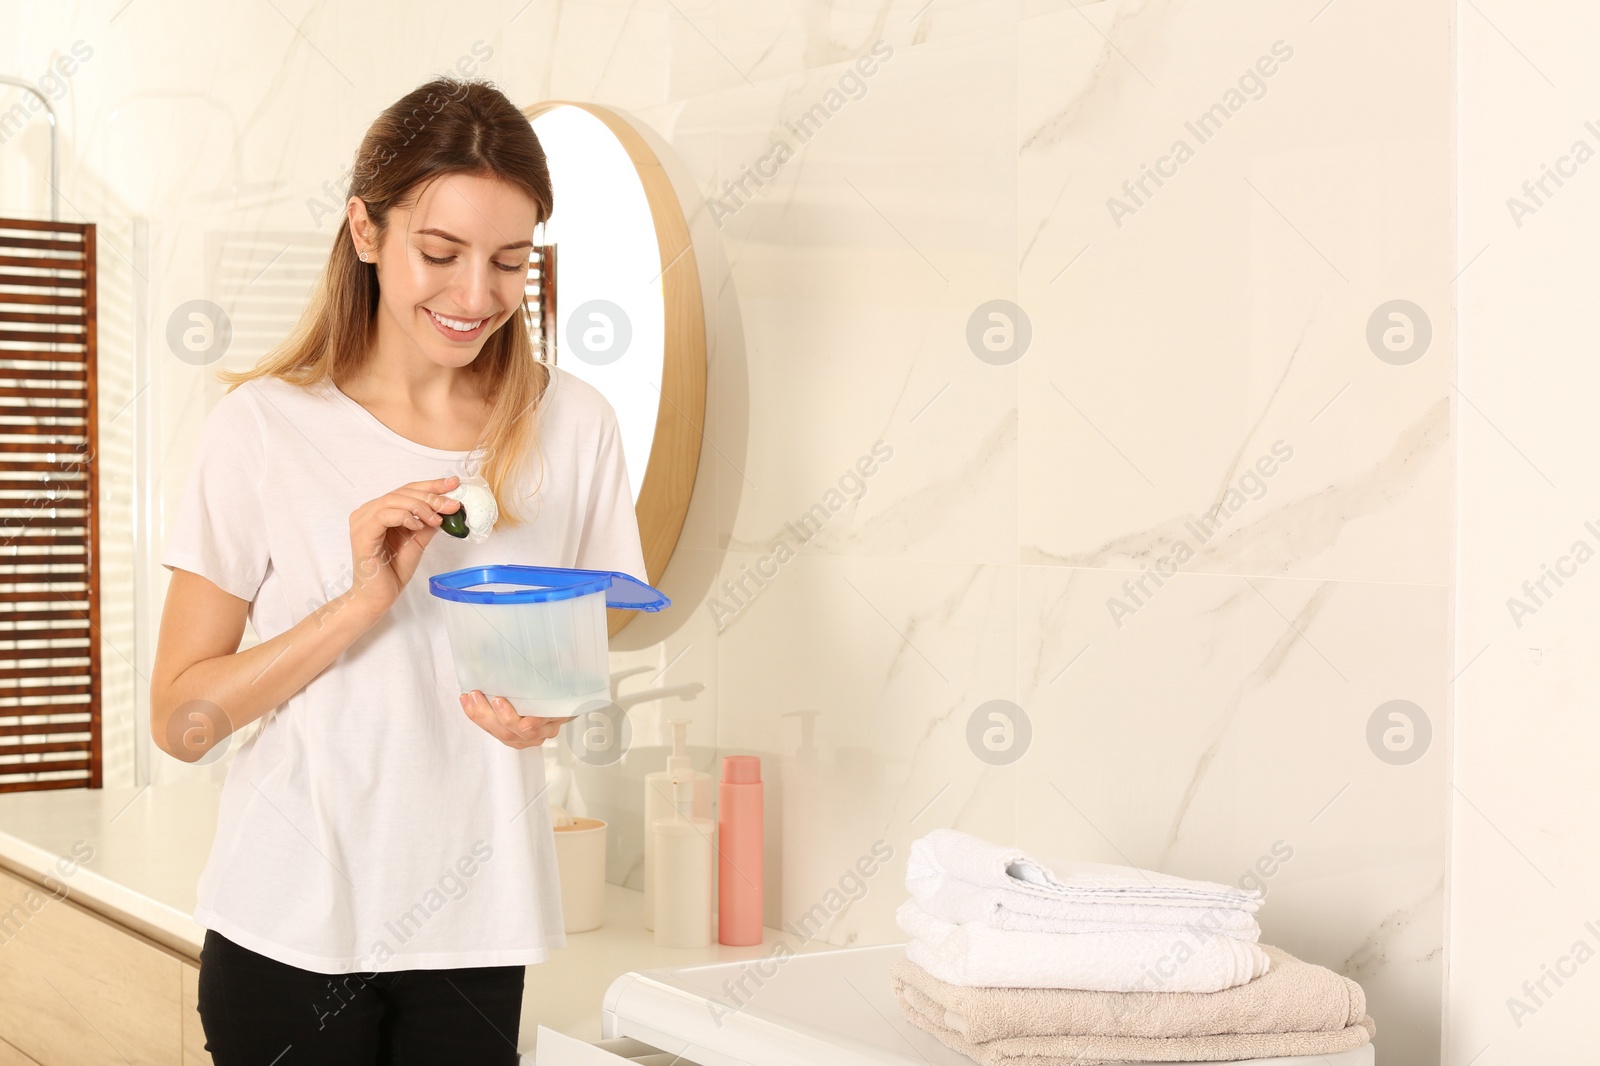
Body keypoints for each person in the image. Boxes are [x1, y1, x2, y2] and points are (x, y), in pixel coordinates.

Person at [149, 75, 647, 1065]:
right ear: (365, 232)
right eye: (440, 251)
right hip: (286, 929)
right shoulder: (263, 430)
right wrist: (361, 601)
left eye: (510, 261)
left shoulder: (576, 426)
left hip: (478, 924)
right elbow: (181, 721)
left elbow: (582, 648)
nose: (476, 296)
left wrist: (548, 706)